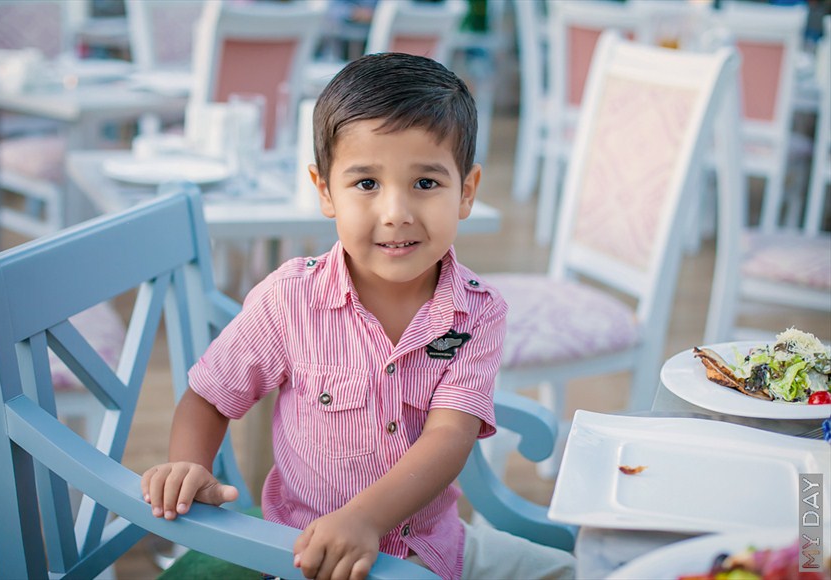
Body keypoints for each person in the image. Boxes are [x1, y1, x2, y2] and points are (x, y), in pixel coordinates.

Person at [141, 52, 575, 580]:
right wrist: (190, 466)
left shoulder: (477, 312)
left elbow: (449, 436)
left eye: (426, 183)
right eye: (366, 183)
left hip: (433, 548)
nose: (396, 213)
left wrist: (365, 519)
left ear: (466, 191)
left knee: (571, 569)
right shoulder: (289, 300)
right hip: (307, 554)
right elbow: (210, 396)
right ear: (325, 191)